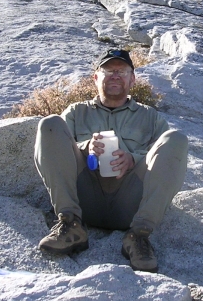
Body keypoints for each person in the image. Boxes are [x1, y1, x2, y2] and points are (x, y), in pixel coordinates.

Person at [34, 48, 188, 272]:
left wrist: (132, 160)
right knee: (50, 124)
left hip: (131, 202)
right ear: (96, 78)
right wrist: (85, 148)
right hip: (84, 196)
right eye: (108, 70)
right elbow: (57, 149)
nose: (116, 75)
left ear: (132, 79)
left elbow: (165, 161)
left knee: (176, 139)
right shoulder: (77, 112)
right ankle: (70, 225)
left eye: (123, 71)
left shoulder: (150, 117)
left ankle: (138, 236)